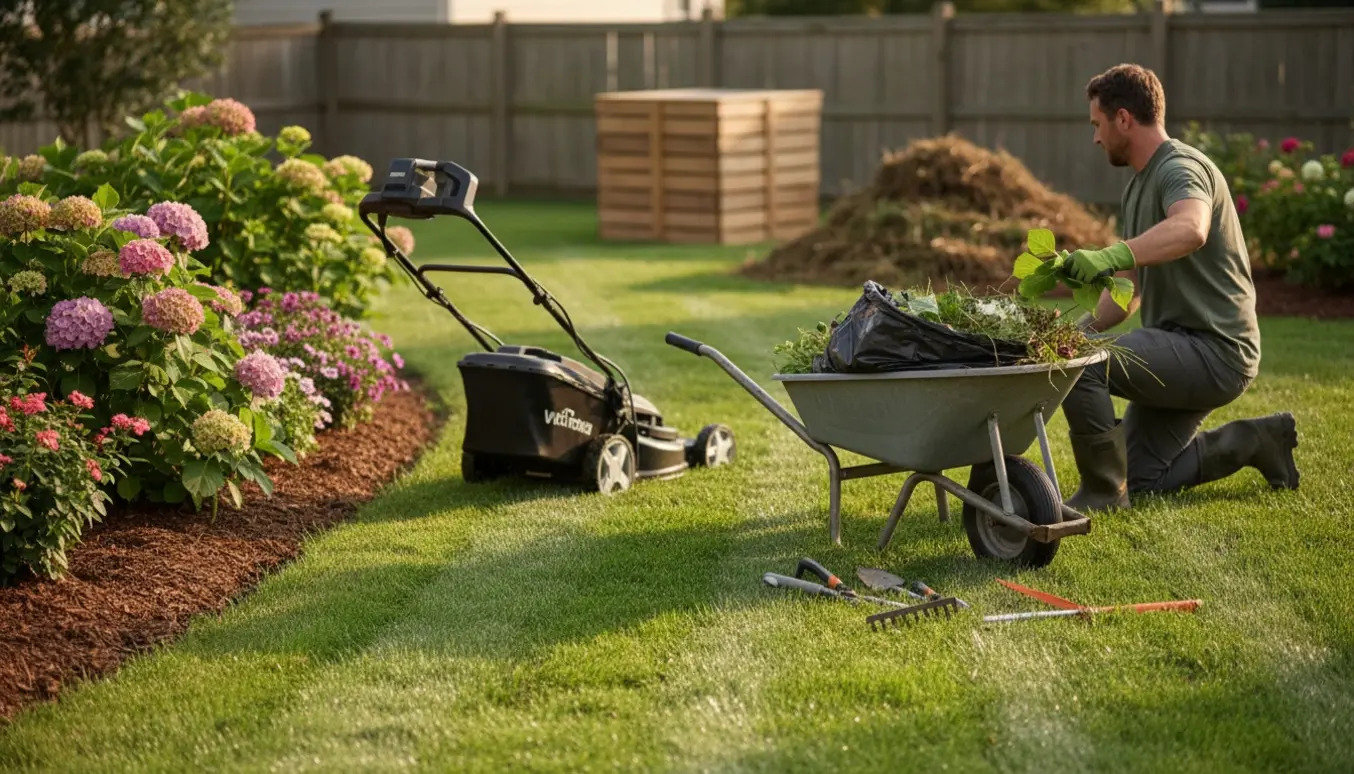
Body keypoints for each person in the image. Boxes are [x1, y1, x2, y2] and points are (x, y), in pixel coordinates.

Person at [1055, 63, 1299, 512]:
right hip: (1179, 348)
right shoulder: (1135, 190)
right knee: (1144, 477)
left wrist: (1112, 254)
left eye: (1097, 124)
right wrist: (1077, 333)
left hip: (1215, 349)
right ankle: (1257, 441)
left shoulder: (1180, 168)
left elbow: (1191, 228)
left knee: (1085, 366)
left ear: (1123, 119)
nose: (1095, 138)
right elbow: (1128, 293)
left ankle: (1101, 493)